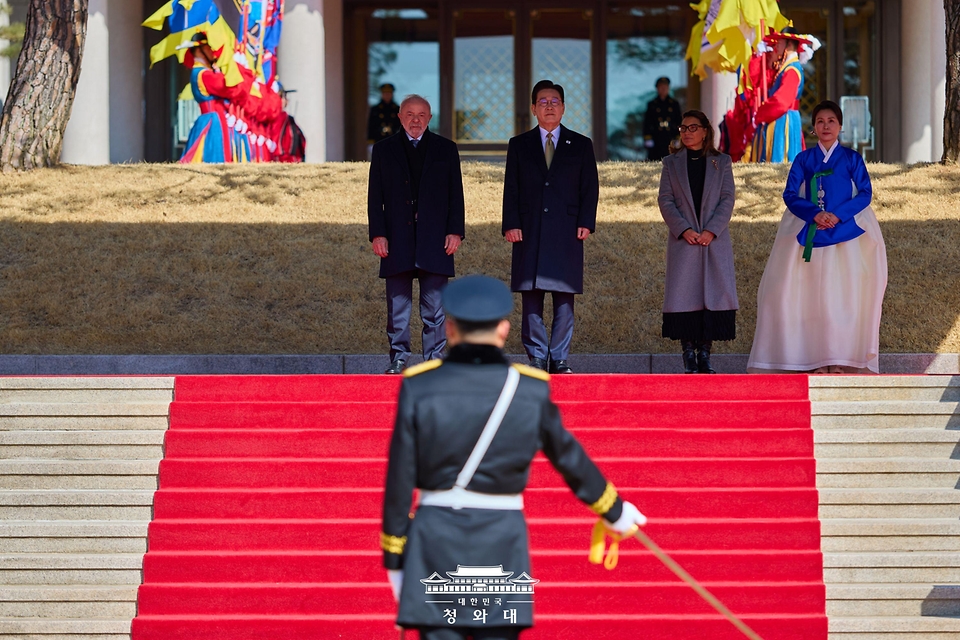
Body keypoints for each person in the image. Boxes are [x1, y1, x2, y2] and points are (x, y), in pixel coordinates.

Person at [381, 275, 648, 638]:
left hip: (436, 537)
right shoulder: (528, 388)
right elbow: (567, 457)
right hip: (500, 539)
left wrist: (395, 557)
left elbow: (399, 477)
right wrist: (614, 511)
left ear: (451, 328)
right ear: (504, 329)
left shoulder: (419, 384)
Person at [748, 100, 887, 373]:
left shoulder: (851, 159)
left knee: (840, 297)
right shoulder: (804, 159)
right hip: (807, 233)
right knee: (806, 296)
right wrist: (814, 214)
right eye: (820, 121)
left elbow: (865, 193)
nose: (826, 126)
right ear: (813, 127)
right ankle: (812, 359)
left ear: (840, 126)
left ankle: (838, 359)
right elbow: (789, 194)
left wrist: (837, 215)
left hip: (846, 237)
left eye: (831, 121)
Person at [502, 80, 599, 374]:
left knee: (564, 296)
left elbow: (589, 187)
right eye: (542, 101)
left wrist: (585, 221)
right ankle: (536, 356)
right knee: (531, 296)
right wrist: (511, 224)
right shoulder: (519, 145)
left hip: (566, 230)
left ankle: (558, 358)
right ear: (533, 108)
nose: (549, 106)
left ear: (564, 107)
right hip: (528, 229)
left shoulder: (581, 144)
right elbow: (512, 189)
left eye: (555, 101)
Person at [368, 94, 466, 374]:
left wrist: (455, 231)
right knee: (397, 305)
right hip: (396, 237)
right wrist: (378, 234)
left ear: (429, 118)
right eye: (410, 114)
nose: (415, 120)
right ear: (400, 116)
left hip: (435, 238)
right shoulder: (384, 149)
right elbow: (376, 197)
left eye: (421, 115)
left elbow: (455, 195)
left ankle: (434, 359)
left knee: (434, 307)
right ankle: (398, 357)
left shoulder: (446, 149)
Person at [657, 110, 738, 374]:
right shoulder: (671, 163)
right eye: (683, 128)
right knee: (685, 298)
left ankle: (705, 356)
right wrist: (684, 229)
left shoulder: (722, 162)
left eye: (693, 127)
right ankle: (688, 356)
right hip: (685, 243)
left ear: (705, 131)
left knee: (712, 298)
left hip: (714, 242)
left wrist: (711, 230)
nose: (687, 132)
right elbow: (665, 200)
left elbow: (727, 199)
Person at [749, 26, 810, 164]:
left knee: (781, 159)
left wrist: (761, 112)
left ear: (788, 45)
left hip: (784, 121)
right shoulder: (786, 68)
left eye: (779, 43)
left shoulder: (792, 69)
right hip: (782, 118)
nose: (776, 46)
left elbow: (781, 101)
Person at [179, 34, 236, 164]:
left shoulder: (202, 72)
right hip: (212, 121)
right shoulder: (204, 74)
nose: (212, 51)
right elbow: (227, 88)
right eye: (208, 48)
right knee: (213, 156)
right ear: (199, 50)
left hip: (213, 118)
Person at [643, 77, 682, 162]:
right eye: (661, 87)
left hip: (670, 137)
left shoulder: (674, 104)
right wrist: (647, 138)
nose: (663, 89)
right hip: (656, 138)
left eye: (665, 87)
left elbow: (679, 121)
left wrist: (678, 137)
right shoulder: (652, 104)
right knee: (654, 161)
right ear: (657, 88)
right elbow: (647, 122)